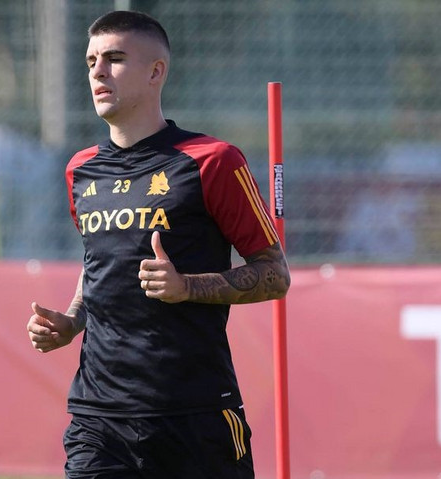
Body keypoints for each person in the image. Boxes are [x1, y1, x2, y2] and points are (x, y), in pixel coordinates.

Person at [27, 10, 290, 479]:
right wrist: (73, 320)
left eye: (114, 59)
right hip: (98, 420)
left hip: (195, 416)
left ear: (156, 72)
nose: (97, 72)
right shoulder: (80, 170)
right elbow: (99, 264)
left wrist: (186, 286)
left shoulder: (212, 161)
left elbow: (275, 274)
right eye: (90, 61)